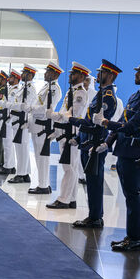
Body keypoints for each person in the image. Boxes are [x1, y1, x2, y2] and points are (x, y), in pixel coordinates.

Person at [99, 57, 140, 252]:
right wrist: (108, 141)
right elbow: (123, 119)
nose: (136, 74)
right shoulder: (137, 95)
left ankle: (134, 238)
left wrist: (106, 123)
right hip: (125, 149)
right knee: (129, 195)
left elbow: (132, 126)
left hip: (134, 150)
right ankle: (135, 233)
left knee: (133, 196)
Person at [72, 60, 120, 227]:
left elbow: (97, 123)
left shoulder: (108, 97)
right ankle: (94, 215)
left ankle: (95, 217)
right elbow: (88, 119)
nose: (98, 75)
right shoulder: (99, 94)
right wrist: (78, 138)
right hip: (87, 141)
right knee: (91, 181)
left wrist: (75, 122)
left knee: (94, 182)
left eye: (102, 73)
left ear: (111, 76)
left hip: (96, 143)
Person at [46, 62, 89, 208]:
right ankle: (71, 199)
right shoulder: (71, 91)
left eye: (73, 74)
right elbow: (66, 113)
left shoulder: (80, 93)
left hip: (71, 133)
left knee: (69, 168)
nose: (70, 76)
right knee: (71, 167)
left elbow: (72, 115)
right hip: (64, 132)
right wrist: (56, 130)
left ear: (81, 76)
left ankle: (64, 199)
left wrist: (53, 115)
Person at [27, 62, 62, 194]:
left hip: (43, 127)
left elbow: (45, 109)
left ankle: (43, 185)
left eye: (48, 72)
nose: (45, 74)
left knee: (42, 158)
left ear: (55, 74)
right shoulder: (46, 87)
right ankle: (42, 184)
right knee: (38, 157)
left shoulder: (54, 89)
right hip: (37, 126)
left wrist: (31, 109)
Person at [7, 64, 38, 184]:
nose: (22, 75)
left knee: (22, 149)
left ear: (30, 75)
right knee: (20, 148)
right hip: (17, 120)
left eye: (24, 73)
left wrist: (10, 106)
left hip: (22, 121)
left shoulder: (30, 89)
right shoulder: (23, 87)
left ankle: (20, 174)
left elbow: (25, 106)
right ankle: (25, 174)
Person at [0, 70, 20, 175]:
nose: (9, 78)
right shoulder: (10, 89)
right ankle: (9, 165)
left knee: (8, 144)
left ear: (16, 78)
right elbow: (4, 103)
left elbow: (10, 104)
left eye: (11, 77)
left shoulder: (15, 90)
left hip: (9, 119)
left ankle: (8, 166)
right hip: (5, 118)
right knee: (6, 143)